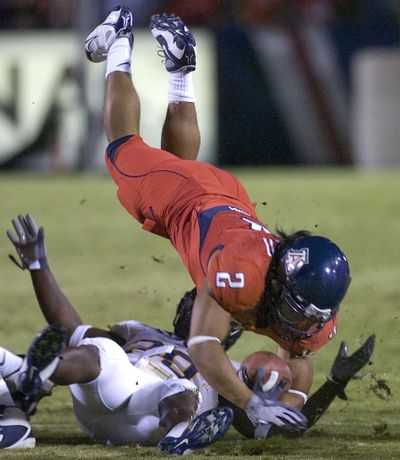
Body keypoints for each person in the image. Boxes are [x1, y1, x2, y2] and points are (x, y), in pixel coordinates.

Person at [83, 5, 352, 435]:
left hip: (226, 198)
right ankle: (119, 42)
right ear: (283, 282)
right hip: (191, 199)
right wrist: (250, 402)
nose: (301, 325)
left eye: (309, 317)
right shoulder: (240, 274)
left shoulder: (311, 306)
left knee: (176, 162)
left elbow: (300, 365)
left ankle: (181, 72)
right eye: (299, 312)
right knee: (120, 148)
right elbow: (203, 345)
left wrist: (290, 403)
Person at [3, 215, 374, 448]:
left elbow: (278, 423)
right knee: (104, 350)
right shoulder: (140, 333)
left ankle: (20, 387)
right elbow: (70, 331)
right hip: (109, 396)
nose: (195, 308)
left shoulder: (228, 369)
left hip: (153, 420)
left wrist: (332, 386)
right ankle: (26, 377)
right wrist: (39, 265)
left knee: (180, 387)